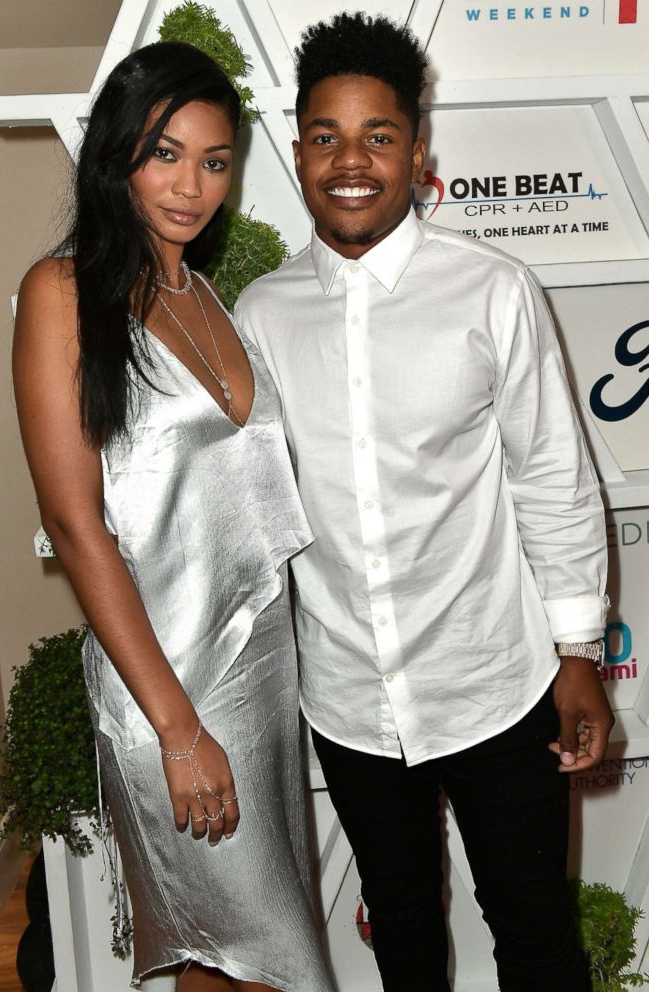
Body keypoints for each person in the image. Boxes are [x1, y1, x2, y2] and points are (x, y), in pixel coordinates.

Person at [235, 12, 614, 992]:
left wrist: (578, 653)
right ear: (296, 149)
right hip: (349, 695)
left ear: (417, 152)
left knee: (533, 928)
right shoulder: (263, 313)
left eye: (378, 136)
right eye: (325, 136)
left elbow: (550, 473)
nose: (349, 160)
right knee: (400, 924)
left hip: (496, 676)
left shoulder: (493, 290)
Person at [13, 41, 332, 992]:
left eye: (215, 160)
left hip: (263, 680)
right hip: (170, 688)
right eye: (166, 153)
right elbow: (76, 526)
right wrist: (177, 728)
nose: (192, 185)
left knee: (229, 965)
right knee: (256, 962)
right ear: (117, 156)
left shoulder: (208, 298)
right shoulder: (63, 294)